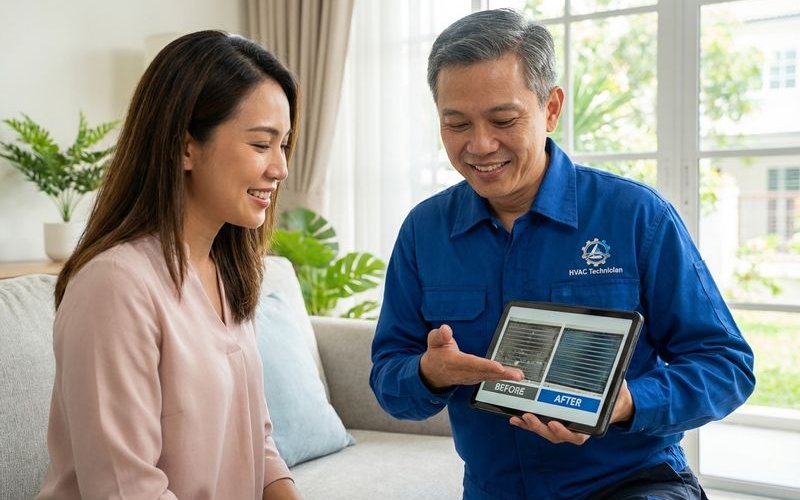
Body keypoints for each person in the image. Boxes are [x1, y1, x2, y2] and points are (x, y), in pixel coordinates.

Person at [370, 8, 755, 500]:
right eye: (456, 123)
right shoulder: (424, 231)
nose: (479, 145)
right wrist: (428, 373)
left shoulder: (636, 215)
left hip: (633, 484)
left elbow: (726, 364)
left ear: (551, 108)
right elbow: (388, 378)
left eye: (503, 120)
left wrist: (627, 402)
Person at [37, 31, 303, 500]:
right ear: (184, 147)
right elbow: (126, 489)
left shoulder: (228, 271)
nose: (280, 169)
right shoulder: (114, 286)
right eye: (262, 145)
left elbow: (257, 444)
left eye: (284, 145)